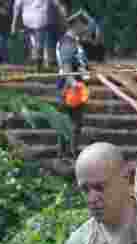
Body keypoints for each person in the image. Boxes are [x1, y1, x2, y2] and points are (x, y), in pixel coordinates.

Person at [56, 12, 90, 157]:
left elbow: (78, 63)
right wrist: (73, 82)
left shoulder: (75, 42)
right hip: (69, 87)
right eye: (84, 25)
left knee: (75, 122)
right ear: (76, 24)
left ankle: (69, 152)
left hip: (77, 86)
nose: (86, 28)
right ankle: (69, 153)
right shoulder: (67, 42)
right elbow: (66, 65)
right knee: (72, 122)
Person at [11, 0, 67, 70]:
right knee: (41, 43)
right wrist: (63, 19)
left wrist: (13, 25)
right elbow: (58, 4)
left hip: (27, 21)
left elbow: (16, 8)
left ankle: (37, 62)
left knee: (34, 43)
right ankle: (43, 63)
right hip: (41, 20)